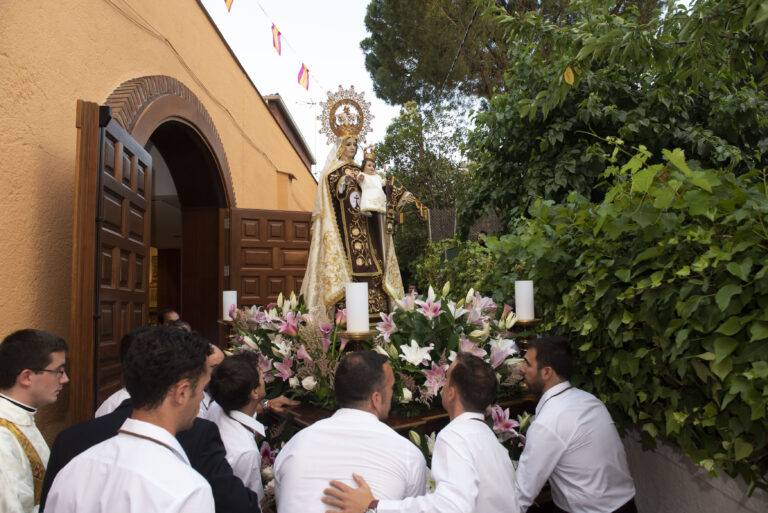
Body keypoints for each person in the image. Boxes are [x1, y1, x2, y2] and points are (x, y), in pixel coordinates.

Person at [40, 331, 262, 513]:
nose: (203, 398)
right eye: (200, 389)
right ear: (182, 393)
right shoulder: (188, 489)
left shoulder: (75, 468)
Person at [322, 353, 519, 513]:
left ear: (451, 393)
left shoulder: (455, 436)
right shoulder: (492, 443)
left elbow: (452, 507)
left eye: (447, 378)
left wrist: (374, 506)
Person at [274, 351, 426, 513]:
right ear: (376, 399)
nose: (392, 394)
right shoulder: (408, 455)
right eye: (391, 388)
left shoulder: (295, 445)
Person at [515, 336, 636, 513]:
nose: (522, 368)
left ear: (547, 372)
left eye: (527, 363)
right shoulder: (590, 400)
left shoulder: (548, 422)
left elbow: (522, 493)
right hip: (627, 506)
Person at [0, 329, 69, 513]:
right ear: (27, 377)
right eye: (59, 371)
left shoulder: (20, 419)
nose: (65, 379)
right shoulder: (2, 438)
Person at [208, 352, 268, 503]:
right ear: (254, 392)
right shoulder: (246, 452)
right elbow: (251, 503)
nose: (264, 378)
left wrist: (268, 405)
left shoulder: (216, 406)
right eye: (261, 375)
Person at [357, 147, 387, 216]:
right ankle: (365, 210)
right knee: (367, 200)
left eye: (373, 166)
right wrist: (360, 178)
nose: (372, 168)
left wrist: (384, 181)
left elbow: (381, 183)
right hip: (368, 192)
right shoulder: (362, 174)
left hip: (378, 193)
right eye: (369, 165)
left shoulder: (377, 176)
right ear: (363, 166)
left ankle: (381, 209)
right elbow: (358, 180)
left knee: (381, 203)